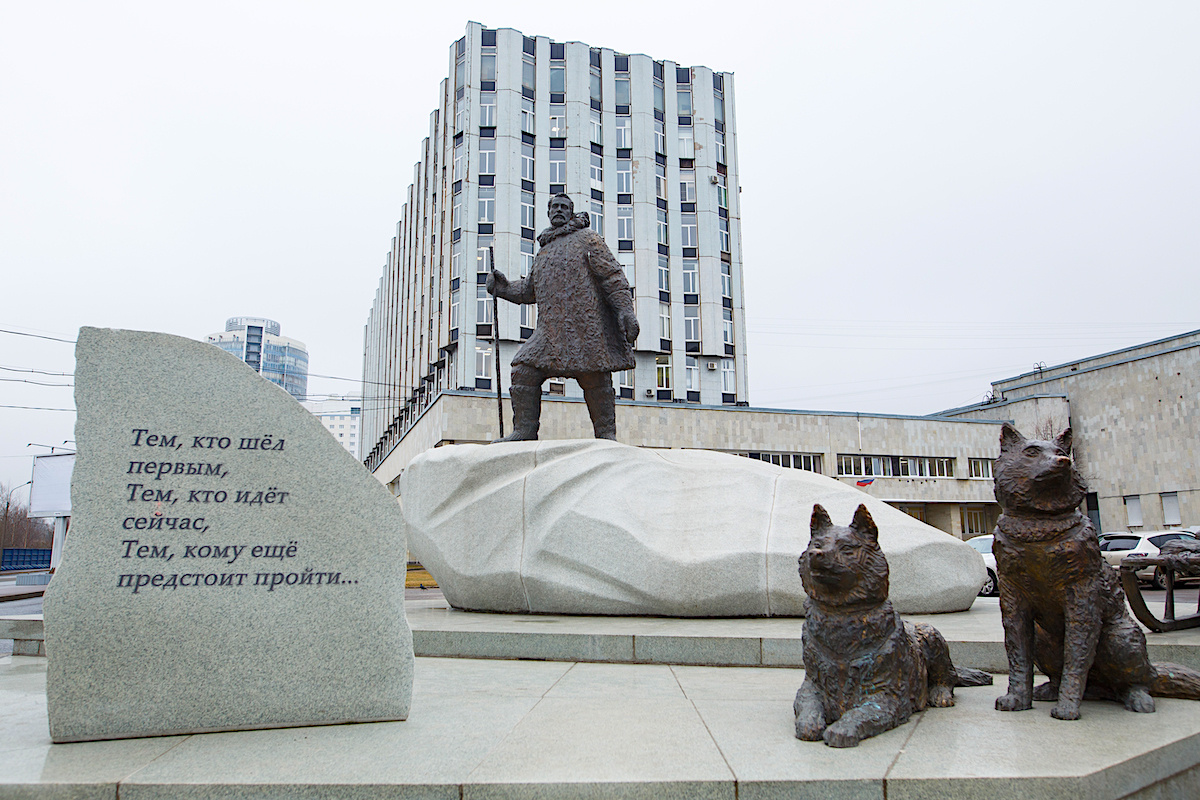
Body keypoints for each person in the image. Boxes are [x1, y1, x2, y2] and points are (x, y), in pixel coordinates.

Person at [486, 193, 639, 441]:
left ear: (571, 211)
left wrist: (625, 310)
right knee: (523, 371)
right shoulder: (544, 251)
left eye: (564, 207)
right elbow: (528, 290)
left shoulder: (588, 239)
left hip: (586, 328)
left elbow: (612, 277)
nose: (558, 210)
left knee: (596, 380)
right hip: (550, 332)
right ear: (548, 213)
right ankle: (524, 431)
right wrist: (502, 288)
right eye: (554, 207)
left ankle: (606, 435)